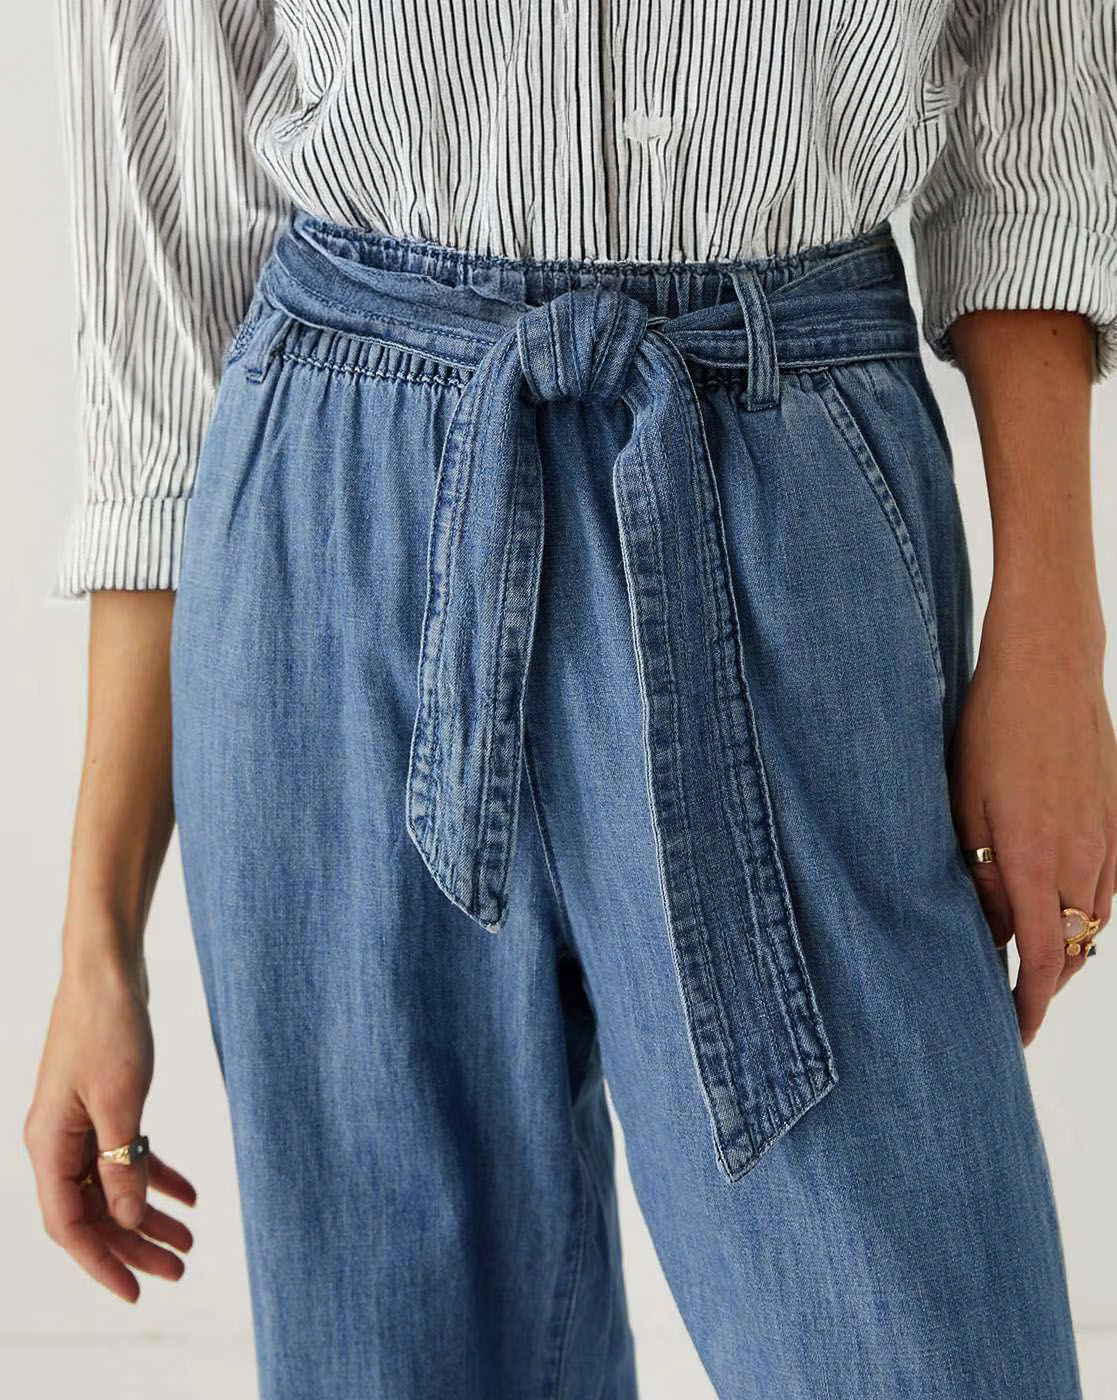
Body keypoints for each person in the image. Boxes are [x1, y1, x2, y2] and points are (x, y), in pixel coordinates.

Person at [23, 2, 1116, 1397]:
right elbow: (161, 293)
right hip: (342, 532)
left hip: (788, 493)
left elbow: (1033, 107)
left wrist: (1055, 640)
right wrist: (97, 937)